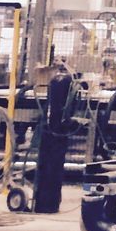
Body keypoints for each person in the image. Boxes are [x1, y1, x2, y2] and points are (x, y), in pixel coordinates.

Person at [32, 58, 75, 215]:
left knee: (50, 162)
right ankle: (47, 204)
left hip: (55, 129)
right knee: (50, 162)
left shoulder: (59, 82)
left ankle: (47, 203)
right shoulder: (61, 82)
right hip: (55, 130)